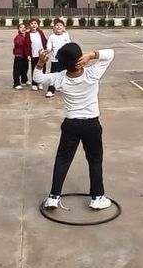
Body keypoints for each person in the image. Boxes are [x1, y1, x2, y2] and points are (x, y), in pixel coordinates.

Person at [34, 44, 115, 211]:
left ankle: (53, 197)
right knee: (95, 160)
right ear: (80, 60)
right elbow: (110, 54)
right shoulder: (92, 74)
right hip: (91, 124)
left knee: (63, 160)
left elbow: (38, 78)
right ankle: (97, 197)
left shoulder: (59, 78)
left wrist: (41, 62)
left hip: (71, 125)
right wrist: (91, 55)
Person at [45, 19, 72, 98]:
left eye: (61, 25)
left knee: (65, 74)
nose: (59, 27)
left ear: (63, 27)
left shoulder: (66, 35)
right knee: (53, 75)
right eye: (57, 25)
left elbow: (69, 45)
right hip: (55, 60)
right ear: (53, 27)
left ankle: (62, 86)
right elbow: (48, 47)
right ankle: (51, 90)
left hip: (65, 60)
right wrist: (48, 50)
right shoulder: (52, 36)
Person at [27, 18, 48, 90]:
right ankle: (34, 83)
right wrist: (28, 54)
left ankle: (40, 82)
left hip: (42, 54)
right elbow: (27, 45)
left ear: (38, 25)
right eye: (32, 23)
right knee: (34, 69)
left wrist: (46, 49)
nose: (33, 25)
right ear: (29, 25)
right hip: (34, 54)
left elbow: (45, 41)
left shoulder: (40, 32)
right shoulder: (28, 34)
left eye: (35, 23)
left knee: (43, 68)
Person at [12, 23, 30, 89]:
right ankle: (16, 83)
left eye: (24, 27)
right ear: (18, 29)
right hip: (19, 55)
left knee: (25, 68)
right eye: (21, 27)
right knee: (17, 70)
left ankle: (24, 80)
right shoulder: (18, 37)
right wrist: (26, 40)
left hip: (25, 55)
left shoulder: (27, 36)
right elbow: (18, 43)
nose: (23, 29)